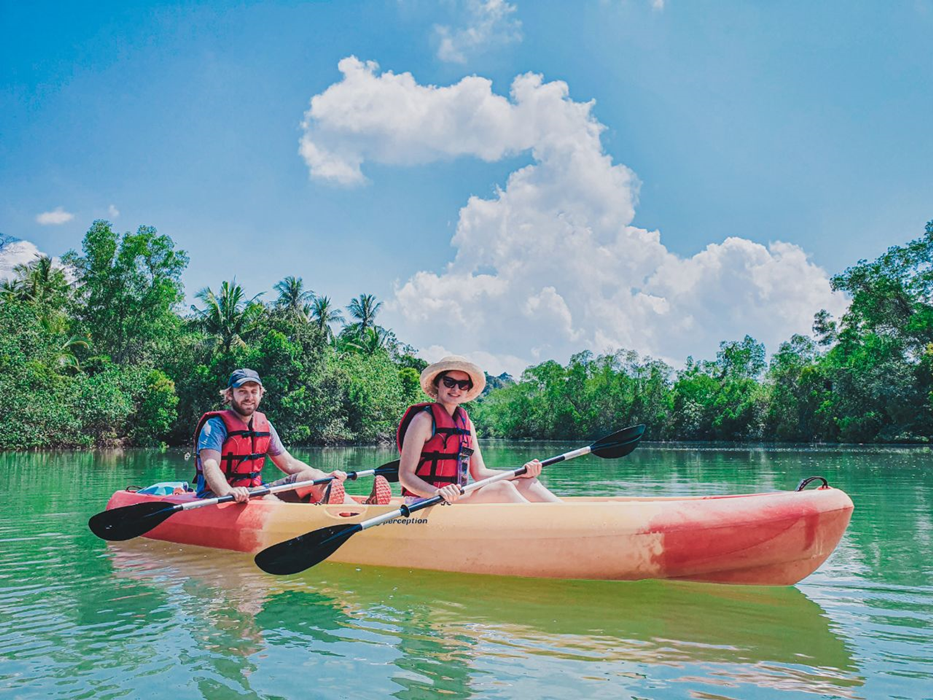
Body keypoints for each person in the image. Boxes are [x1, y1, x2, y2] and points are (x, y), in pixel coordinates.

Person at [194, 368, 391, 505]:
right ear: (230, 395)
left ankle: (365, 508)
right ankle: (329, 517)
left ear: (261, 394)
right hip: (219, 496)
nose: (249, 397)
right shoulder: (215, 426)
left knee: (316, 478)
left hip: (254, 490)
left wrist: (324, 476)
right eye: (242, 392)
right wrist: (228, 492)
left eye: (254, 392)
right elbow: (210, 467)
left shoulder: (265, 426)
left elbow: (288, 464)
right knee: (268, 499)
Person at [397, 356, 561, 504]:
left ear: (467, 389)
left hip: (455, 498)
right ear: (437, 384)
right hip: (424, 501)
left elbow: (480, 473)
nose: (456, 389)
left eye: (463, 385)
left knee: (526, 482)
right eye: (449, 382)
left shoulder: (466, 423)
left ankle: (563, 517)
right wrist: (437, 492)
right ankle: (544, 526)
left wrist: (521, 473)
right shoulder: (423, 420)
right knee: (502, 489)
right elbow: (405, 476)